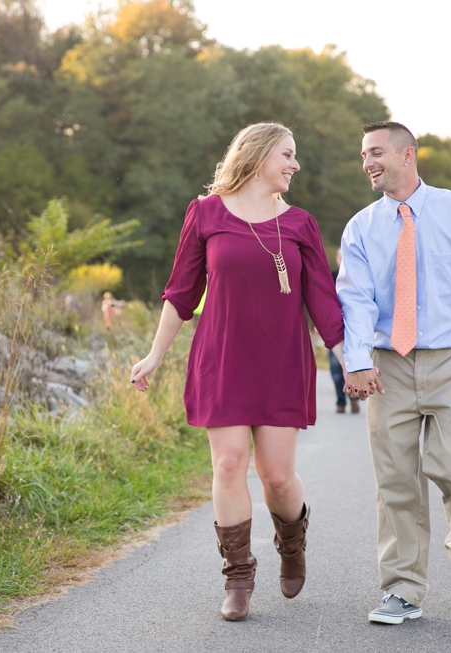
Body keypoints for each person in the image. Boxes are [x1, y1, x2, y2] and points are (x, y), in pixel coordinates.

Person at [130, 122, 345, 622]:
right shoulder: (205, 214)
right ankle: (238, 578)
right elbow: (181, 293)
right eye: (288, 155)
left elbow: (322, 300)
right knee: (228, 464)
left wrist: (346, 357)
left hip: (281, 361)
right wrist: (155, 355)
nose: (295, 165)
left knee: (276, 474)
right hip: (221, 357)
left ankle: (291, 544)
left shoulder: (300, 224)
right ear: (259, 154)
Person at [336, 121, 451, 625]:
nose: (368, 162)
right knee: (395, 480)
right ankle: (403, 589)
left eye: (375, 152)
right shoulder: (360, 228)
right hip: (387, 368)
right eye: (363, 155)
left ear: (407, 155)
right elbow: (353, 301)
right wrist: (355, 361)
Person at [328, 248, 359, 414]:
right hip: (333, 327)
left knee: (353, 363)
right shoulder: (330, 276)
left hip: (352, 328)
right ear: (337, 258)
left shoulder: (356, 276)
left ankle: (354, 398)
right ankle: (341, 401)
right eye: (340, 256)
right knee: (335, 368)